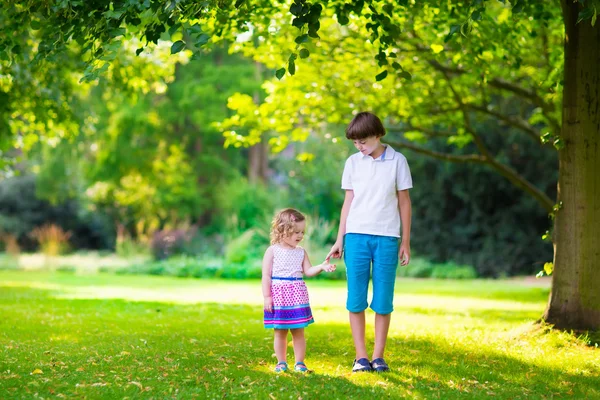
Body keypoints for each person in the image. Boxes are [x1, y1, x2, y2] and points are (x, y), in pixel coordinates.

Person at [326, 111, 412, 373]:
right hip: (356, 236)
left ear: (377, 134)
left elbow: (404, 202)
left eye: (363, 141)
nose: (359, 147)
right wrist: (339, 238)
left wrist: (405, 241)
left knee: (384, 300)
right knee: (356, 298)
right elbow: (348, 202)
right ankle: (361, 357)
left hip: (387, 237)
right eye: (355, 143)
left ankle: (378, 356)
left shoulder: (398, 161)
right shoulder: (353, 163)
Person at [263, 208, 336, 373]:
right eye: (296, 232)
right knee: (280, 332)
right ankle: (281, 362)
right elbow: (266, 276)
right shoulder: (272, 251)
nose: (300, 235)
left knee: (298, 331)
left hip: (297, 295)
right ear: (282, 230)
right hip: (279, 296)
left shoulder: (301, 252)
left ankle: (300, 362)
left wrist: (321, 267)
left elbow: (308, 271)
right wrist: (267, 296)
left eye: (302, 232)